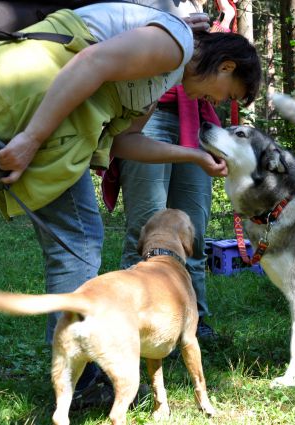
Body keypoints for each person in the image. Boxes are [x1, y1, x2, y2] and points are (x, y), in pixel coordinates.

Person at [0, 1, 261, 407]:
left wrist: (192, 155)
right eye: (228, 95)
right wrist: (32, 137)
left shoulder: (165, 71)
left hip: (43, 118)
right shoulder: (176, 44)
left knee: (81, 236)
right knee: (80, 239)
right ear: (225, 67)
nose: (218, 102)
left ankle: (79, 366)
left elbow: (124, 142)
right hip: (22, 100)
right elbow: (91, 62)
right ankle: (78, 375)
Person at [112, 0, 220, 352]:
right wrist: (175, 31)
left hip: (195, 115)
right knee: (146, 228)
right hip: (148, 111)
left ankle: (194, 320)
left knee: (194, 232)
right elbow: (111, 44)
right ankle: (130, 322)